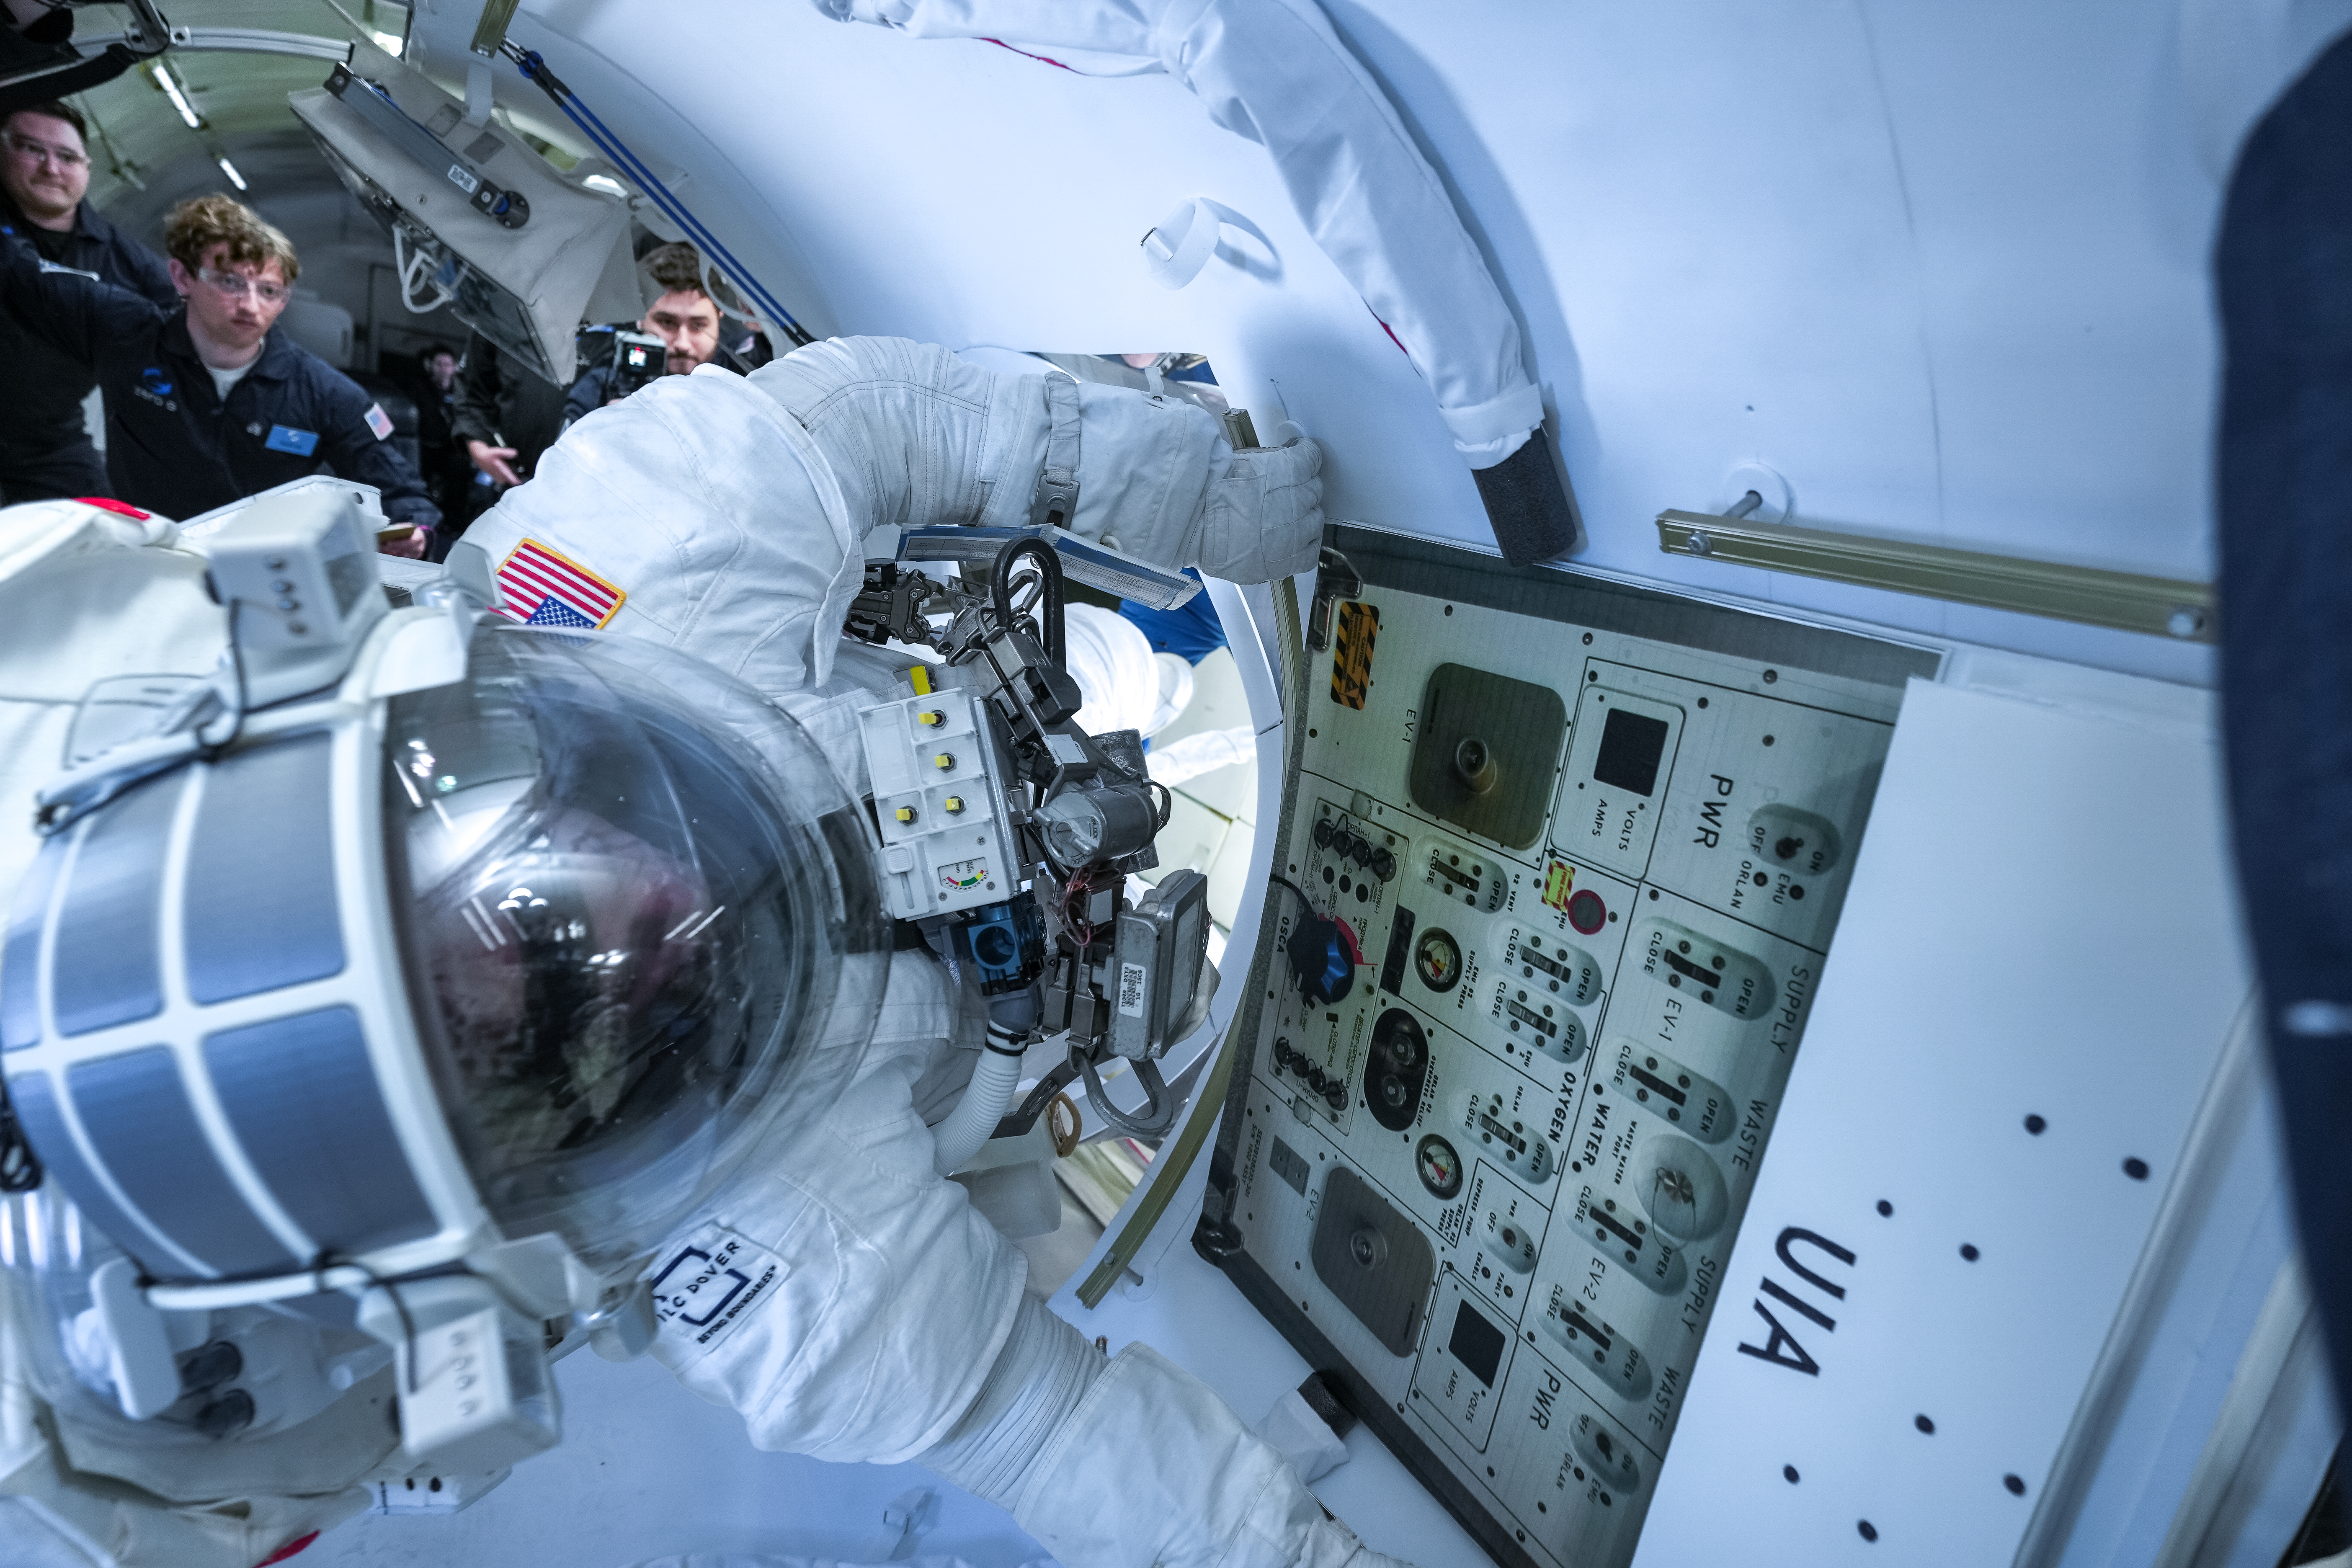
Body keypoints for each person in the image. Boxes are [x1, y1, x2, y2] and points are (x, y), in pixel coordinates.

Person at [0, 336, 1365, 1568]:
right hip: (1056, 1016)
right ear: (503, 1182)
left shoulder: (630, 569)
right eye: (543, 1036)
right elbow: (1062, 1440)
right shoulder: (784, 1272)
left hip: (1000, 711)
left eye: (501, 889)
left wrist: (1191, 494)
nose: (621, 926)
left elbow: (847, 418)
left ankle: (1163, 679)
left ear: (427, 756)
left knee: (1139, 679)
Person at [0, 192, 439, 553]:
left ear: (284, 300)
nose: (250, 305)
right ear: (182, 277)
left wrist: (416, 533)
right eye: (230, 282)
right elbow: (23, 277)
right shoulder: (124, 334)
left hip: (262, 572)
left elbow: (403, 494)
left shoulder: (326, 394)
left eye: (268, 290)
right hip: (144, 555)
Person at [0, 100, 176, 504]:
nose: (51, 168)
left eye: (67, 157)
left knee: (104, 536)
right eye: (31, 150)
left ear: (87, 169)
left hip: (48, 440)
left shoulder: (125, 259)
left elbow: (189, 327)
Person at [562, 242, 730, 423]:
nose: (683, 344)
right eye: (667, 323)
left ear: (720, 316)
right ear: (639, 318)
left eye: (698, 326)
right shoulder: (601, 388)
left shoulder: (743, 382)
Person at [450, 327, 567, 524]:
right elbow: (473, 394)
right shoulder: (499, 312)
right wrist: (479, 449)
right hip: (515, 485)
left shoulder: (620, 320)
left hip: (592, 498)